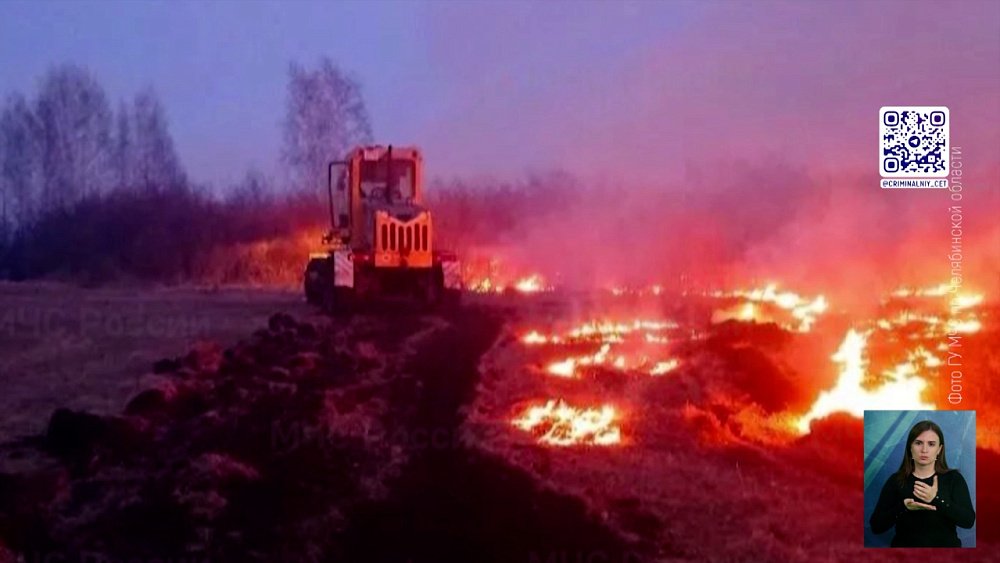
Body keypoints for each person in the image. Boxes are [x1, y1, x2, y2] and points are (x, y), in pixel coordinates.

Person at [869, 419, 976, 547]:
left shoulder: (953, 479)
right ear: (910, 447)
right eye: (918, 443)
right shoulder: (896, 480)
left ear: (939, 449)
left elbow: (968, 521)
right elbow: (876, 526)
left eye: (931, 444)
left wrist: (935, 499)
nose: (924, 450)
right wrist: (903, 507)